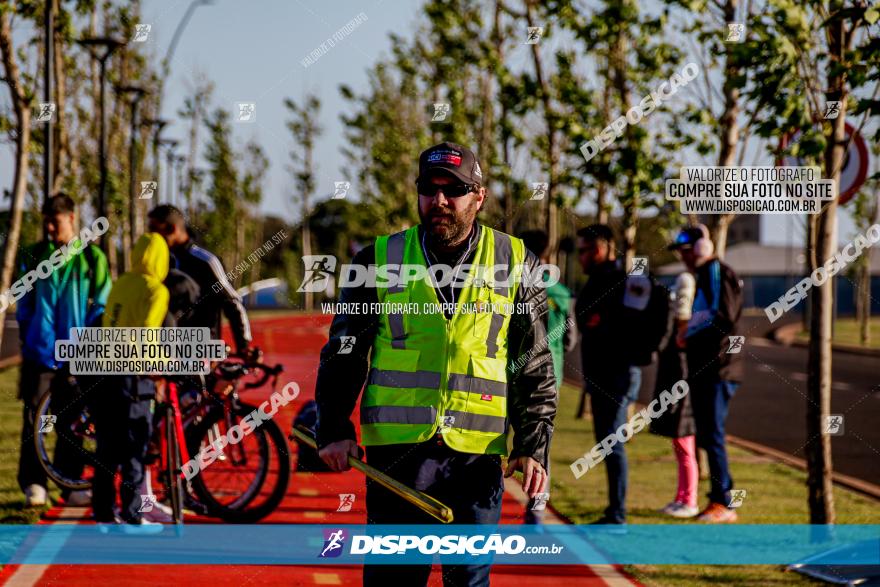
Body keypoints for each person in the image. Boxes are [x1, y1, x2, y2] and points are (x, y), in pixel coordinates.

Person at [315, 142, 557, 586]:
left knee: (467, 579)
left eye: (455, 190)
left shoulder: (516, 262)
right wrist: (332, 428)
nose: (440, 200)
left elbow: (534, 361)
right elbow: (345, 350)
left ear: (479, 196)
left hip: (476, 459)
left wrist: (532, 444)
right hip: (398, 454)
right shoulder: (377, 259)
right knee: (395, 580)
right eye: (430, 188)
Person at [15, 193, 111, 508]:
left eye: (54, 223)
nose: (50, 230)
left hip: (77, 353)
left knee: (72, 419)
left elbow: (102, 306)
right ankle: (34, 483)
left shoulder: (92, 258)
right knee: (35, 420)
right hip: (40, 354)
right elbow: (24, 303)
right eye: (46, 224)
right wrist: (30, 336)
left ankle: (69, 484)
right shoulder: (33, 255)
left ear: (72, 218)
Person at [92, 233, 169, 525]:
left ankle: (103, 512)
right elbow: (147, 333)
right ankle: (133, 514)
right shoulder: (156, 290)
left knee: (107, 448)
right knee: (135, 446)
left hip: (105, 370)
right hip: (134, 378)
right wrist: (159, 367)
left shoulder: (121, 282)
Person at [668, 224, 743, 523]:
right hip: (706, 368)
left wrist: (689, 333)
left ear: (701, 249)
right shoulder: (702, 275)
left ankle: (723, 502)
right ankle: (722, 495)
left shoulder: (716, 272)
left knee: (712, 435)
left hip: (719, 368)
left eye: (687, 251)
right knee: (707, 435)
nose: (684, 258)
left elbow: (724, 317)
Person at [573, 224, 641, 525]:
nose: (580, 258)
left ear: (598, 250)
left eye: (583, 251)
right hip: (601, 376)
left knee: (613, 443)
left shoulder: (617, 281)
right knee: (607, 443)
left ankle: (618, 514)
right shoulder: (599, 280)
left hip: (616, 376)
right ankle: (614, 510)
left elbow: (622, 326)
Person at [518, 229, 576, 523]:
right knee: (541, 438)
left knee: (494, 434)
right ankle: (537, 506)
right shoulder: (561, 291)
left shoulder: (515, 281)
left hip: (515, 370)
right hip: (550, 370)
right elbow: (570, 337)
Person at [146, 205, 253, 354]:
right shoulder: (156, 261)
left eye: (153, 229)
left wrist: (243, 345)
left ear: (172, 229)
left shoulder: (205, 261)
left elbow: (232, 302)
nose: (149, 235)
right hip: (166, 351)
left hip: (202, 352)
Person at [650, 270, 698, 518]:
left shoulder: (687, 338)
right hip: (676, 393)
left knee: (685, 446)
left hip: (683, 396)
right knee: (679, 446)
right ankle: (682, 496)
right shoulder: (677, 334)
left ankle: (690, 499)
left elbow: (683, 371)